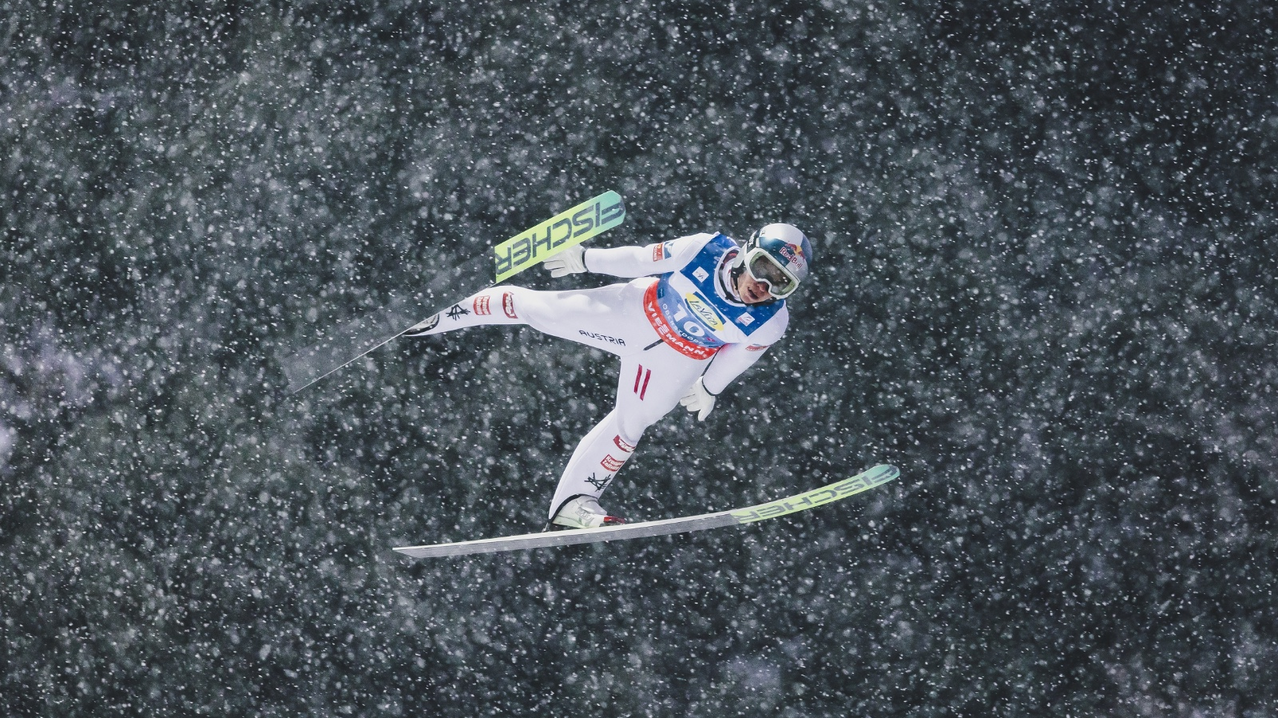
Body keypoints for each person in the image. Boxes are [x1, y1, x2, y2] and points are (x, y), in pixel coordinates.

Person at [404, 223, 813, 529]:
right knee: (532, 310)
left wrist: (709, 387)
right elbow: (639, 258)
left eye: (781, 283)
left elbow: (737, 358)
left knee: (630, 426)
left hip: (677, 358)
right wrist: (586, 258)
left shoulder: (770, 321)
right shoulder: (704, 249)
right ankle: (436, 315)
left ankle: (574, 504)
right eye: (763, 268)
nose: (764, 286)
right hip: (634, 313)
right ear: (747, 251)